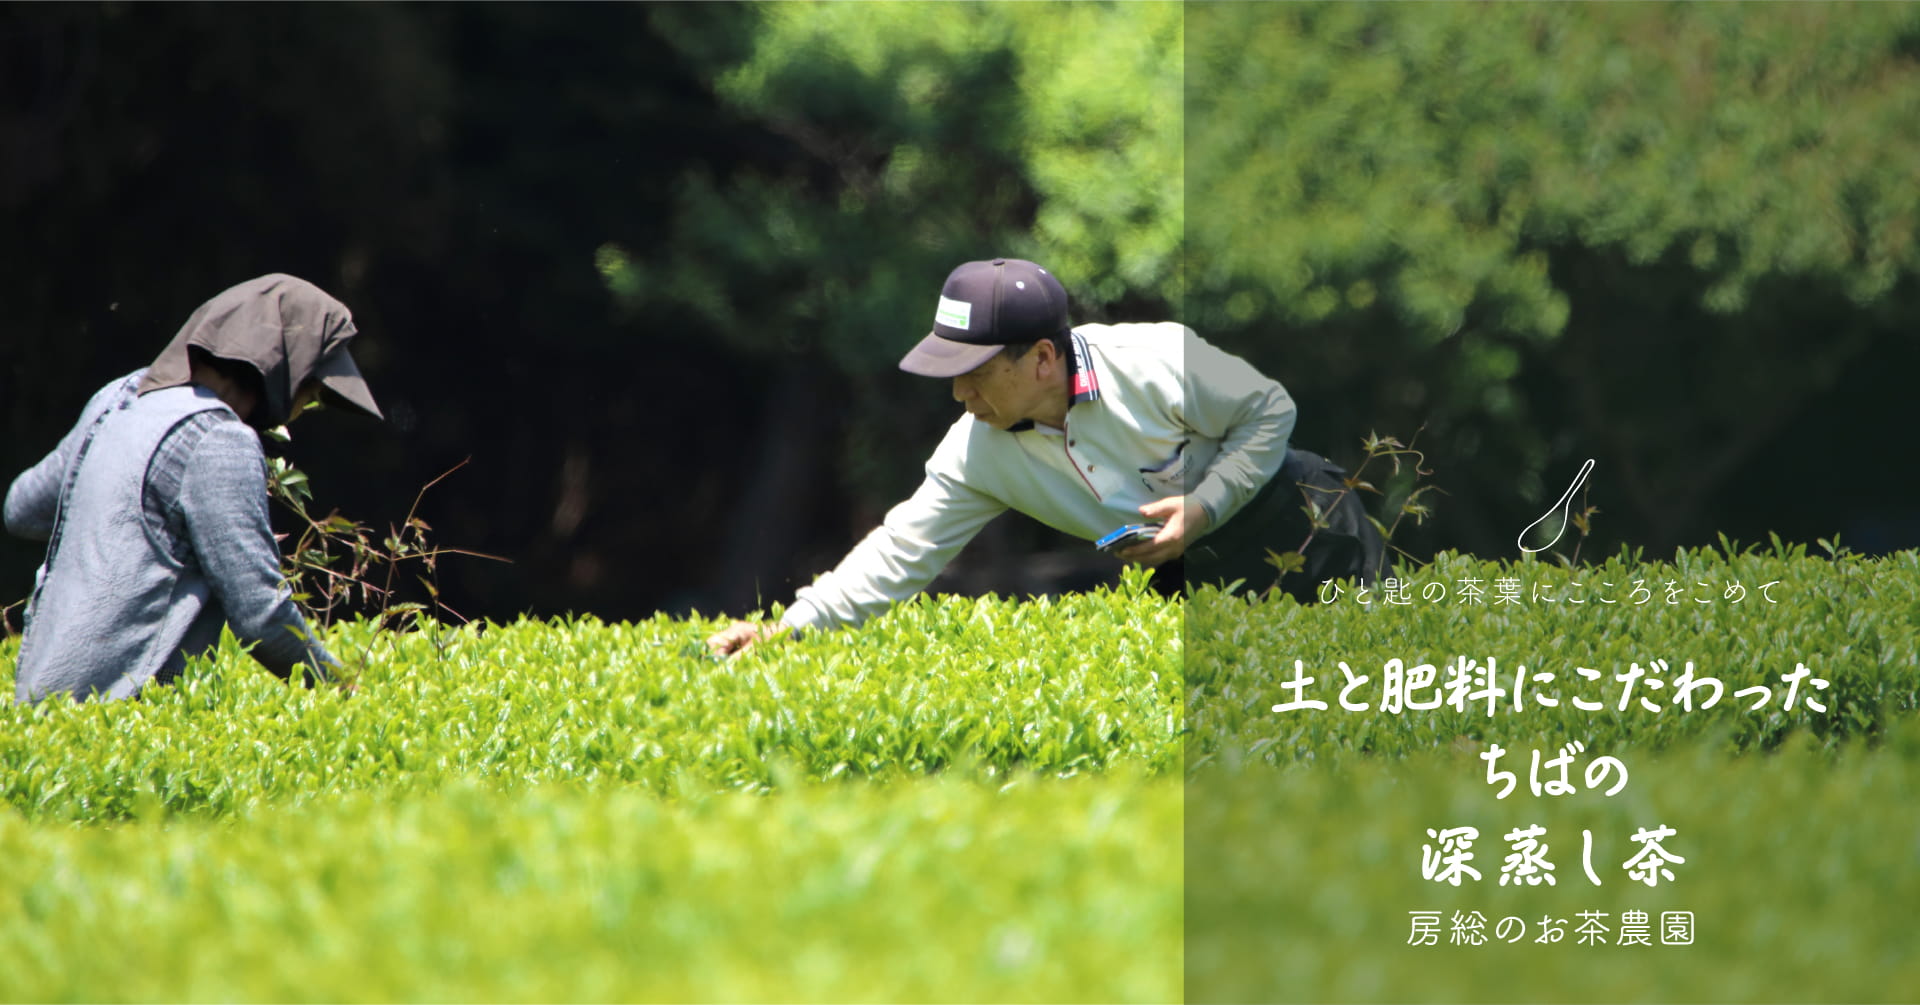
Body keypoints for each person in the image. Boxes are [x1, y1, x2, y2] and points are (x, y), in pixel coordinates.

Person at [707, 257, 1382, 656]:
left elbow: (1270, 410)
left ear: (1042, 359)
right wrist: (785, 633)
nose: (958, 391)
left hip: (1302, 525)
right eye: (951, 371)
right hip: (1187, 582)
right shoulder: (976, 448)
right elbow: (900, 551)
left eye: (975, 371)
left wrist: (1204, 507)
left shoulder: (1153, 360)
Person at [5, 274, 384, 703]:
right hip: (127, 719)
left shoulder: (119, 399)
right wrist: (351, 698)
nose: (299, 411)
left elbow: (22, 508)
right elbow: (262, 616)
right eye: (310, 394)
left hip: (38, 712)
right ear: (282, 372)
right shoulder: (218, 440)